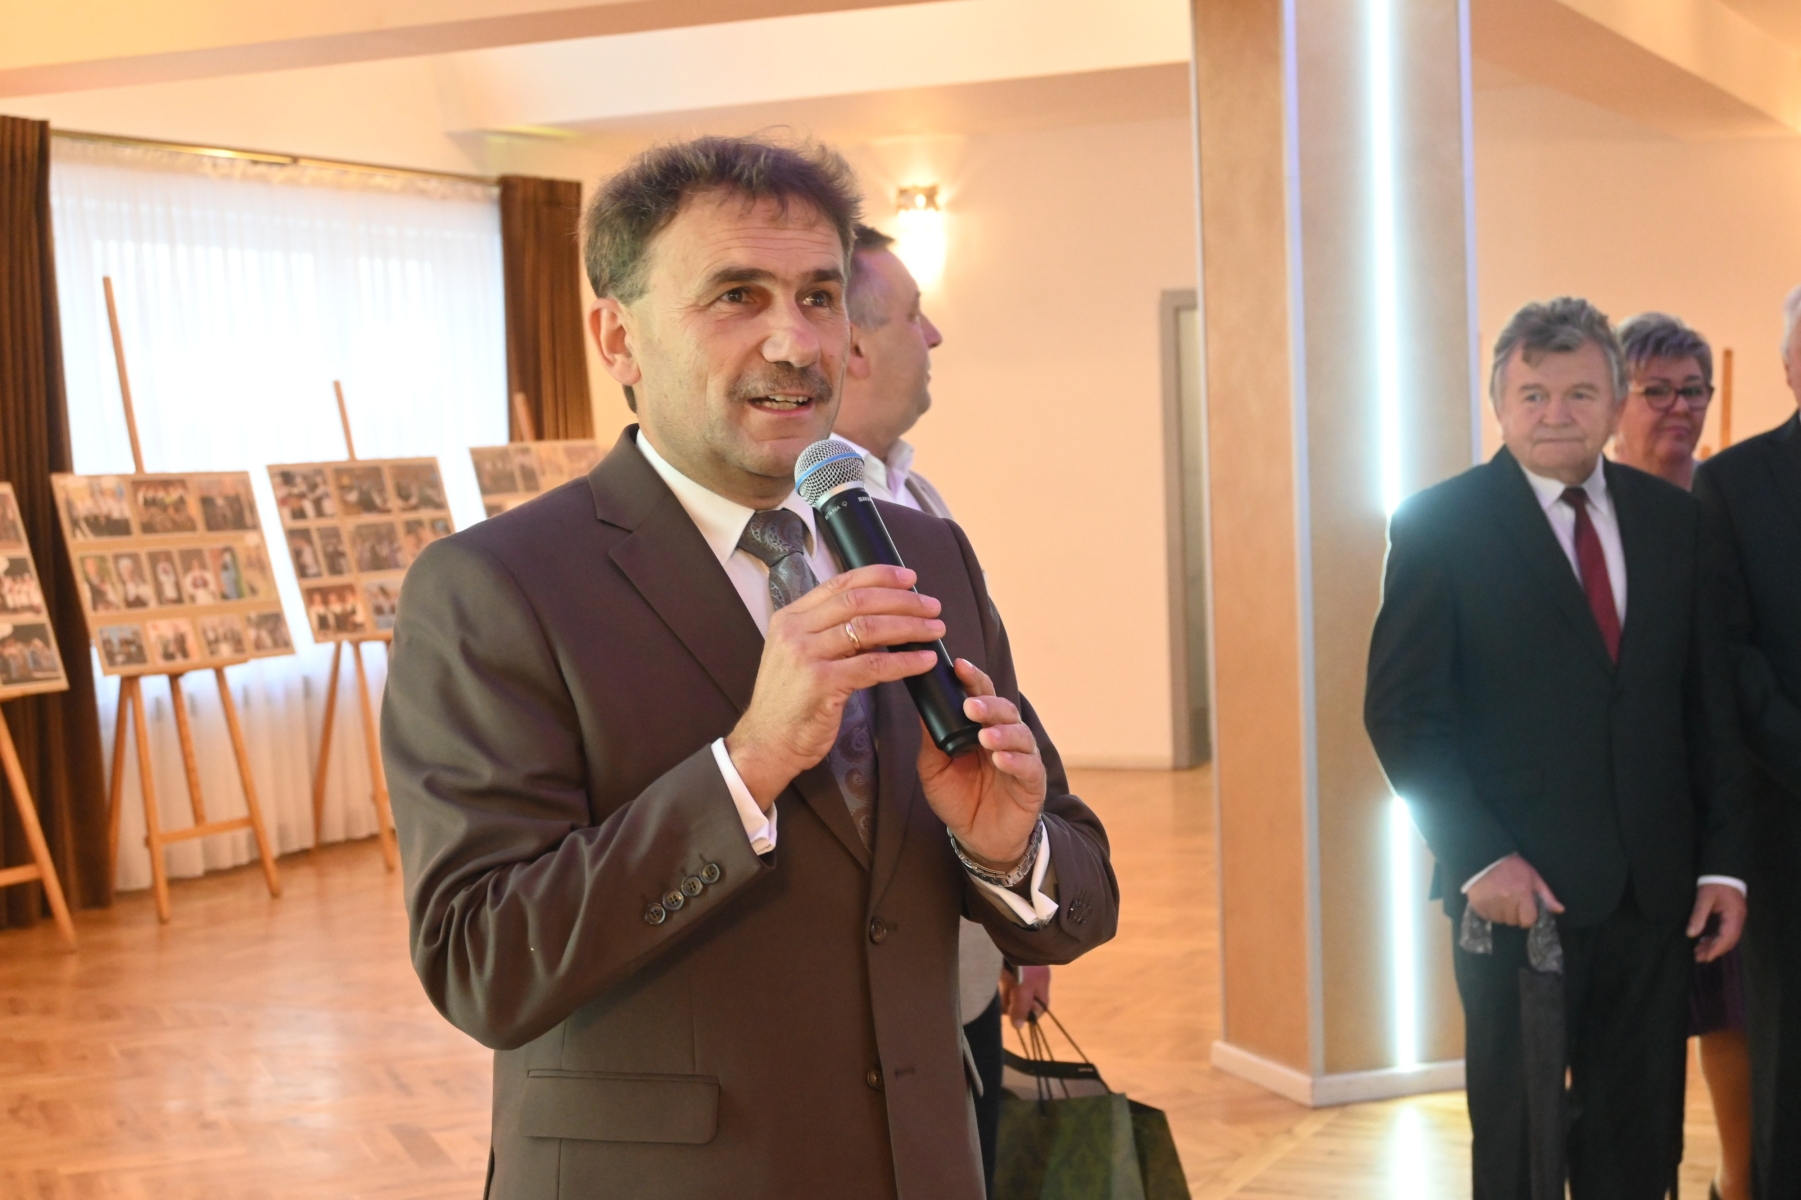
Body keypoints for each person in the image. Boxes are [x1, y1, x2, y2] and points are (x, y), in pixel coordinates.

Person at [382, 136, 1118, 1199]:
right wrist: (748, 765)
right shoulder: (496, 586)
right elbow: (483, 963)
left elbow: (1082, 896)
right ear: (617, 338)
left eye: (819, 296)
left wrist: (1007, 854)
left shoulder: (923, 553)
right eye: (736, 296)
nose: (795, 341)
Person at [1365, 296, 1748, 1199]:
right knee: (1520, 1145)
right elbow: (1402, 715)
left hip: (1654, 896)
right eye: (1532, 394)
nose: (1555, 414)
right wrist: (1477, 856)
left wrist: (1723, 865)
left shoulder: (1675, 521)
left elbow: (1709, 709)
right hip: (1515, 897)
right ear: (1498, 405)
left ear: (1614, 404)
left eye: (1579, 394)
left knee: (1640, 1142)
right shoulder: (1438, 525)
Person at [832, 222, 1053, 1195]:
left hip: (960, 947)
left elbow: (988, 708)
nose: (933, 337)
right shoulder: (789, 526)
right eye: (914, 316)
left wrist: (1015, 922)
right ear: (852, 345)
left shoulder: (920, 496)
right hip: (864, 978)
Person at [1611, 312, 1752, 1200]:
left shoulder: (1727, 499)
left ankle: (1739, 1183)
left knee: (1733, 1011)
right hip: (1626, 817)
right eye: (1655, 391)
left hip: (1732, 798)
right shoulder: (1588, 512)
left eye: (1692, 391)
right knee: (1630, 1028)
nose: (1677, 408)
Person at [1693, 283, 1801, 1200]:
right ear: (1789, 367)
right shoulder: (1730, 483)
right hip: (1785, 814)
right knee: (1786, 1050)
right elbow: (1729, 653)